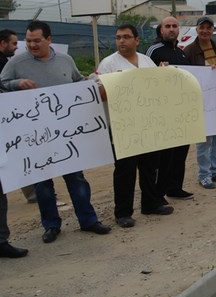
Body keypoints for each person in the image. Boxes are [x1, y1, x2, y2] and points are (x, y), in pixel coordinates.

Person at [1, 21, 111, 243]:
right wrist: (17, 83)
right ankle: (51, 225)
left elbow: (77, 81)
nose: (31, 45)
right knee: (43, 185)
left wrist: (90, 82)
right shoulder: (17, 62)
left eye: (37, 41)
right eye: (29, 41)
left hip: (66, 133)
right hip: (35, 137)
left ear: (49, 40)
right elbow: (2, 82)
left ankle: (88, 220)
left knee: (77, 179)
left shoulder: (65, 60)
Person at [97, 24, 174, 228]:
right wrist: (120, 83)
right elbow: (100, 94)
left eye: (126, 37)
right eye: (118, 37)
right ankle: (123, 212)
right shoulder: (109, 64)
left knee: (149, 166)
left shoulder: (147, 61)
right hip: (124, 125)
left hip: (147, 123)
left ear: (137, 40)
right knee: (125, 170)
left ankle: (151, 203)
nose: (121, 41)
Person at [183, 16, 216, 188]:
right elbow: (187, 75)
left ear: (212, 30)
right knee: (204, 139)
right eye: (202, 27)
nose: (205, 31)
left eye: (208, 28)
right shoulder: (190, 50)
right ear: (197, 29)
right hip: (201, 102)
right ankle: (204, 174)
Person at [146, 16, 194, 200]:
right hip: (163, 111)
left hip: (181, 110)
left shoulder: (180, 52)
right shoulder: (154, 50)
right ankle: (159, 193)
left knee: (180, 152)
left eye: (174, 26)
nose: (172, 29)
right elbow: (146, 76)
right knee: (165, 155)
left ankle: (175, 187)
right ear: (161, 29)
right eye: (168, 26)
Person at [0, 29, 37, 204]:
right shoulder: (5, 64)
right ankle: (32, 192)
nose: (17, 47)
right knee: (17, 153)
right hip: (8, 118)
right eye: (14, 43)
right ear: (3, 43)